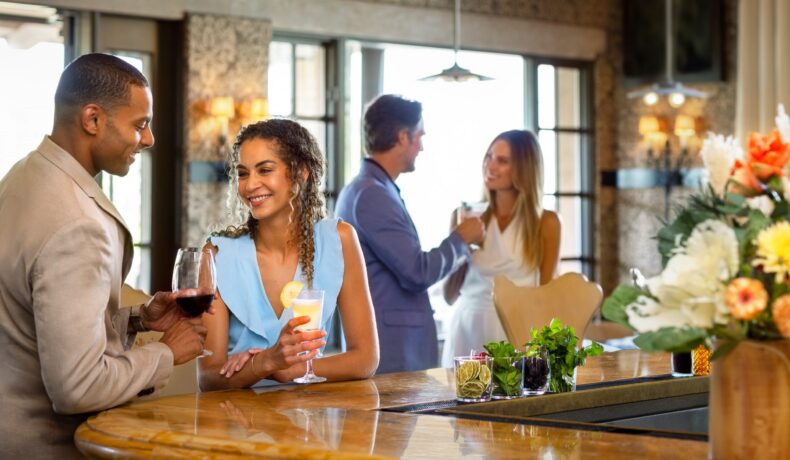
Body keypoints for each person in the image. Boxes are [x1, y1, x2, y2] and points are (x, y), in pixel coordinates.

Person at [0, 53, 207, 458]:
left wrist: (136, 319)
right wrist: (166, 352)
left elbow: (30, 317)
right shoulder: (78, 223)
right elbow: (77, 388)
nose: (149, 140)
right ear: (92, 119)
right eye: (140, 124)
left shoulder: (20, 178)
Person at [198, 119, 379, 389]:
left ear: (300, 173)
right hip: (237, 421)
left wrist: (293, 369)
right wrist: (265, 363)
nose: (250, 185)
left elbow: (365, 359)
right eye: (243, 173)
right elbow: (209, 378)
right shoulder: (217, 254)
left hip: (310, 421)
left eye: (265, 170)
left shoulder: (339, 240)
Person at [335, 94, 485, 374]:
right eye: (419, 136)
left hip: (394, 344)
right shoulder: (371, 194)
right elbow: (417, 271)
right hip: (393, 348)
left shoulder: (371, 188)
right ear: (402, 136)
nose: (422, 147)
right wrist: (461, 238)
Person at [441, 129, 561, 366]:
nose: (491, 166)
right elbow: (449, 294)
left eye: (502, 161)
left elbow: (547, 294)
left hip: (518, 328)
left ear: (524, 168)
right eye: (489, 157)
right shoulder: (466, 216)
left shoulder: (546, 223)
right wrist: (460, 244)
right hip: (469, 327)